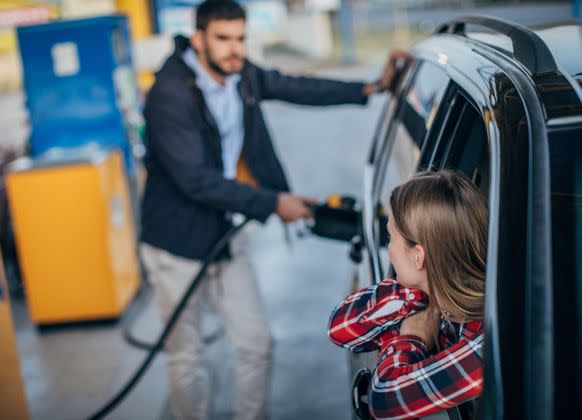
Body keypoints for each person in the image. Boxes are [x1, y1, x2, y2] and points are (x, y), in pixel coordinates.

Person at [140, 1, 410, 419]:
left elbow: (296, 86)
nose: (235, 49)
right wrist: (273, 203)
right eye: (223, 39)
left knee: (255, 343)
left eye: (241, 38)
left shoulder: (240, 75)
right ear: (199, 40)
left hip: (226, 235)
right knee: (187, 356)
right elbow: (194, 180)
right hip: (175, 243)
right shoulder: (170, 95)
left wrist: (368, 88)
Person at [328, 170, 487, 419]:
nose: (388, 251)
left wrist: (412, 336)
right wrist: (407, 298)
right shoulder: (430, 292)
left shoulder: (484, 345)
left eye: (391, 238)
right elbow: (339, 328)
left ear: (418, 256)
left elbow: (384, 401)